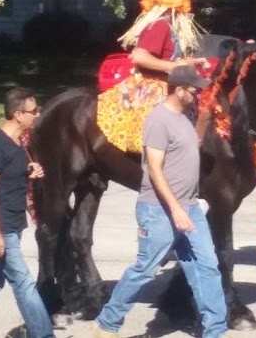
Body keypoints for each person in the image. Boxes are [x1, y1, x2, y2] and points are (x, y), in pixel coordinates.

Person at [93, 65, 229, 338]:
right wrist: (175, 209)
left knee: (207, 267)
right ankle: (107, 323)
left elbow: (190, 149)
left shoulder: (186, 116)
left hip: (190, 207)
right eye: (194, 90)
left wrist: (201, 121)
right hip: (159, 210)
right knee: (145, 269)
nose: (198, 94)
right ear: (178, 90)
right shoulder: (158, 120)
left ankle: (215, 330)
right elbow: (154, 169)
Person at [97, 0, 208, 152]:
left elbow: (168, 58)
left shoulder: (168, 27)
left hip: (168, 86)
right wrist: (173, 67)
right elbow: (139, 56)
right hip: (155, 89)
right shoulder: (160, 25)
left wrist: (190, 62)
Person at [0, 87, 55, 338]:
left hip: (12, 223)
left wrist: (29, 171)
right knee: (24, 282)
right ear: (18, 114)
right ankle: (43, 334)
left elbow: (10, 174)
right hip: (2, 226)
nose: (37, 115)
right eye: (33, 111)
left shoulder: (18, 143)